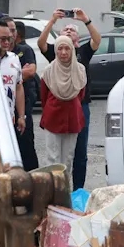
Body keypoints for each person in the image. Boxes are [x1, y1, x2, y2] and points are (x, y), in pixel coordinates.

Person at [38, 8, 101, 190]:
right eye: (65, 29)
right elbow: (41, 43)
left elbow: (97, 40)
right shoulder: (55, 56)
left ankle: (76, 191)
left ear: (76, 40)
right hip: (56, 111)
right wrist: (52, 21)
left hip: (79, 108)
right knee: (53, 154)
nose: (68, 31)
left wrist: (85, 20)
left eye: (72, 30)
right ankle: (55, 191)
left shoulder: (83, 55)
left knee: (77, 153)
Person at [40, 34, 87, 180]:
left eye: (67, 48)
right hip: (52, 118)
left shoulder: (80, 70)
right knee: (52, 159)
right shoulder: (48, 70)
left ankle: (64, 193)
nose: (64, 52)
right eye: (60, 48)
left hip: (73, 119)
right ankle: (52, 192)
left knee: (67, 158)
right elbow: (43, 96)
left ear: (72, 50)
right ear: (55, 51)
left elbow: (81, 95)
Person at [11, 19, 39, 171]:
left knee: (26, 145)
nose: (10, 36)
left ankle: (33, 179)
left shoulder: (24, 50)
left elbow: (30, 72)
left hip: (22, 104)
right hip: (4, 108)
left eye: (12, 31)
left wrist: (11, 73)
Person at [0, 19, 27, 146]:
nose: (7, 42)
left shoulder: (14, 58)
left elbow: (19, 87)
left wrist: (21, 116)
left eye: (9, 38)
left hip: (8, 120)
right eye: (2, 39)